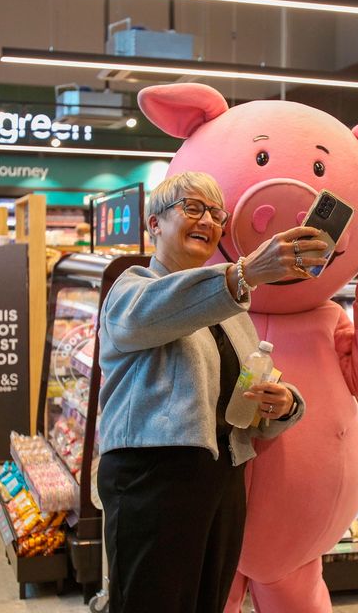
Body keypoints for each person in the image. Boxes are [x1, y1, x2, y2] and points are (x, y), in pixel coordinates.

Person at [96, 171, 323, 613]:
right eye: (193, 207)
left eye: (216, 213)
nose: (208, 220)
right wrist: (244, 274)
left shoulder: (231, 310)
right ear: (154, 224)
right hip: (151, 475)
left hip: (221, 476)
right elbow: (154, 315)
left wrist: (284, 402)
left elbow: (250, 386)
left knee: (208, 602)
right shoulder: (131, 289)